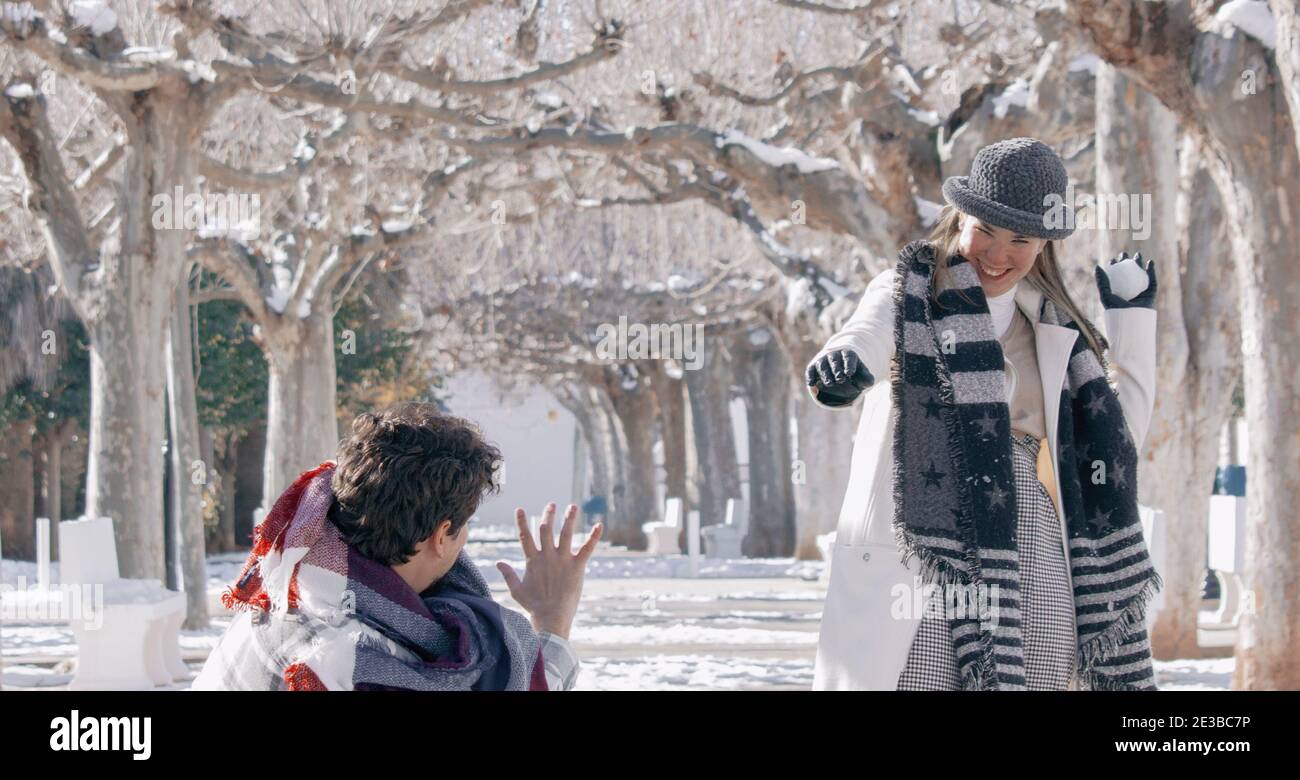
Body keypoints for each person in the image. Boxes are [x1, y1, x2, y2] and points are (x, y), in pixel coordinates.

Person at [807, 137, 1161, 691]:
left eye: (1020, 238)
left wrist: (1132, 325)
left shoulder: (1058, 330)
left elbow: (1117, 445)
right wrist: (844, 363)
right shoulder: (914, 294)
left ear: (1043, 243)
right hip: (928, 548)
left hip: (1036, 553)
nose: (998, 254)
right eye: (985, 230)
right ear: (960, 218)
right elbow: (870, 333)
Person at [193, 402, 600, 691]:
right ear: (441, 536)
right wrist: (553, 620)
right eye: (464, 526)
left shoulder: (296, 586)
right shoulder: (355, 659)